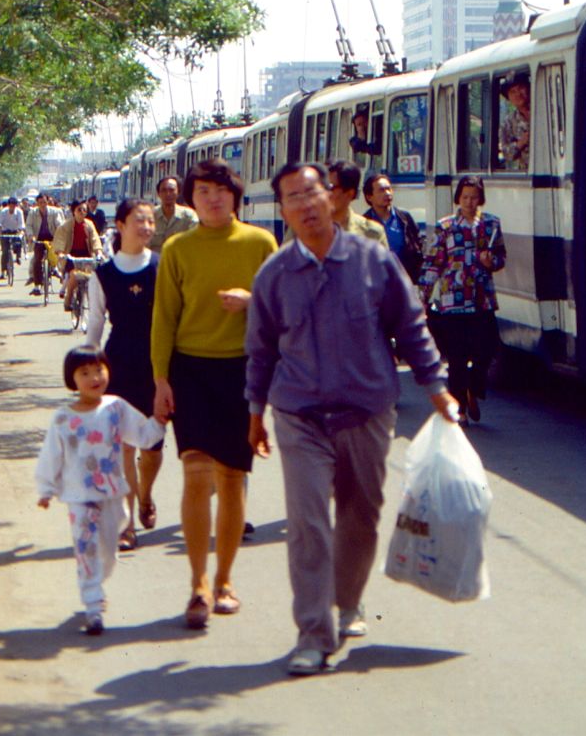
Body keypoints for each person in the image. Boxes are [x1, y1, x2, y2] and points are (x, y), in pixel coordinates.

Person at [245, 162, 457, 677]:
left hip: (365, 409)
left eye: (312, 193)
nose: (305, 204)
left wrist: (437, 388)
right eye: (292, 198)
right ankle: (313, 634)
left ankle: (347, 601)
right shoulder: (273, 275)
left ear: (331, 198)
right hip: (300, 414)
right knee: (309, 523)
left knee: (361, 515)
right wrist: (254, 413)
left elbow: (411, 326)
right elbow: (260, 351)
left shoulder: (372, 260)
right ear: (285, 211)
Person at [151, 158, 277, 630]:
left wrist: (252, 301)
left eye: (220, 190)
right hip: (191, 371)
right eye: (202, 191)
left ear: (236, 195)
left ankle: (225, 580)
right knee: (196, 475)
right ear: (191, 198)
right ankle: (199, 584)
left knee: (231, 478)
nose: (212, 198)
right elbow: (164, 317)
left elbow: (280, 309)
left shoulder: (261, 243)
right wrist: (161, 380)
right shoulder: (180, 248)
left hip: (242, 371)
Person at [35, 344, 167, 635]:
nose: (94, 377)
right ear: (72, 379)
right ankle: (93, 605)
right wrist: (45, 489)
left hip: (112, 494)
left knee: (107, 550)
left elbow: (141, 433)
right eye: (85, 373)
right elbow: (51, 456)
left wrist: (158, 423)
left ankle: (98, 580)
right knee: (85, 548)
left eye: (99, 370)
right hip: (79, 497)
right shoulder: (62, 419)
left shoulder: (116, 408)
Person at [85, 198, 162, 551]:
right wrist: (88, 377)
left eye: (150, 221)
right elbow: (95, 330)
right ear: (120, 224)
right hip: (119, 366)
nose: (146, 227)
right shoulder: (103, 275)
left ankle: (146, 495)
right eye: (138, 220)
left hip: (157, 365)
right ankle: (127, 522)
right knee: (123, 447)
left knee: (153, 447)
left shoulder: (162, 268)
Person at [420, 175, 506, 426]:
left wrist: (493, 262)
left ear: (481, 199)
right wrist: (423, 298)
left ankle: (473, 387)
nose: (469, 202)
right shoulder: (446, 226)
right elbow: (433, 263)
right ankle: (459, 408)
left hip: (482, 299)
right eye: (465, 197)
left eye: (474, 197)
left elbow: (501, 256)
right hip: (453, 300)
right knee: (457, 357)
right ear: (458, 198)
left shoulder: (491, 224)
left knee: (487, 349)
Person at [363, 173, 423, 282]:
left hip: (405, 281)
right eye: (381, 190)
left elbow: (418, 245)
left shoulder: (404, 218)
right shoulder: (364, 223)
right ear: (369, 196)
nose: (387, 193)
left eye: (389, 189)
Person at [53, 200, 103, 311]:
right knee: (74, 276)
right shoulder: (65, 226)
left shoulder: (89, 224)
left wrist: (98, 252)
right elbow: (60, 240)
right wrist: (60, 253)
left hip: (87, 256)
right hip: (71, 257)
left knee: (93, 277)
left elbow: (95, 239)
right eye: (79, 210)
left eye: (84, 210)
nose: (82, 212)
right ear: (73, 211)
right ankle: (68, 299)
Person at [326, 159, 388, 247]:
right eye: (319, 186)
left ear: (349, 194)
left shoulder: (372, 234)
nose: (322, 192)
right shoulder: (306, 230)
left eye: (329, 187)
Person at [25, 194, 65, 295]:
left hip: (52, 238)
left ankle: (58, 271)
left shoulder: (54, 212)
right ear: (37, 203)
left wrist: (58, 236)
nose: (43, 204)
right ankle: (37, 285)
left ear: (47, 202)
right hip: (38, 238)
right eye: (40, 202)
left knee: (58, 256)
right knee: (37, 260)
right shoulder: (32, 212)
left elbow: (59, 224)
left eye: (44, 202)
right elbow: (28, 225)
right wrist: (30, 236)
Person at [149, 174, 197, 254]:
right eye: (164, 190)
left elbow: (195, 242)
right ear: (158, 194)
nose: (168, 194)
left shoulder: (189, 217)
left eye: (171, 190)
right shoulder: (150, 216)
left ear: (178, 192)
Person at [499, 71, 531, 170]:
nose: (518, 94)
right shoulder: (508, 122)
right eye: (512, 91)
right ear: (508, 98)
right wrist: (520, 143)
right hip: (528, 174)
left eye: (520, 88)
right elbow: (506, 154)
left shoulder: (546, 109)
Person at [0, 197, 25, 280]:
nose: (12, 208)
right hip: (5, 232)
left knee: (18, 242)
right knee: (5, 251)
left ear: (16, 206)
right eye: (10, 206)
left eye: (14, 206)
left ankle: (18, 257)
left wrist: (21, 231)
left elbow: (21, 224)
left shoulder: (19, 212)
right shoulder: (3, 212)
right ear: (8, 205)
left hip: (15, 231)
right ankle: (3, 272)